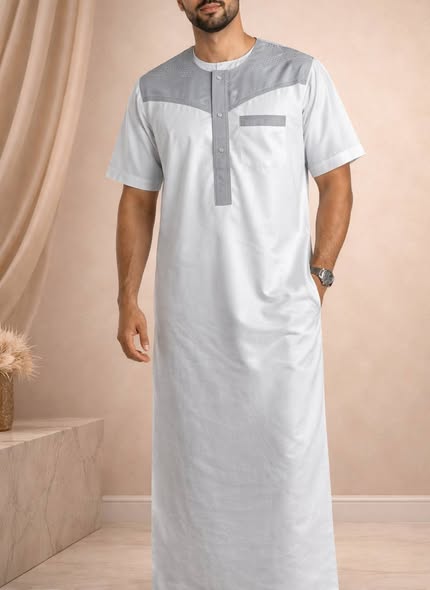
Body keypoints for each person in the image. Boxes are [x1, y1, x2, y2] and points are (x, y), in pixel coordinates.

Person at [105, 1, 366, 588]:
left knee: (287, 460)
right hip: (189, 324)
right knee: (194, 463)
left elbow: (337, 182)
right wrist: (127, 299)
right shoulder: (152, 90)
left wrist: (319, 279)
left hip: (283, 318)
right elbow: (137, 200)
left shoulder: (300, 75)